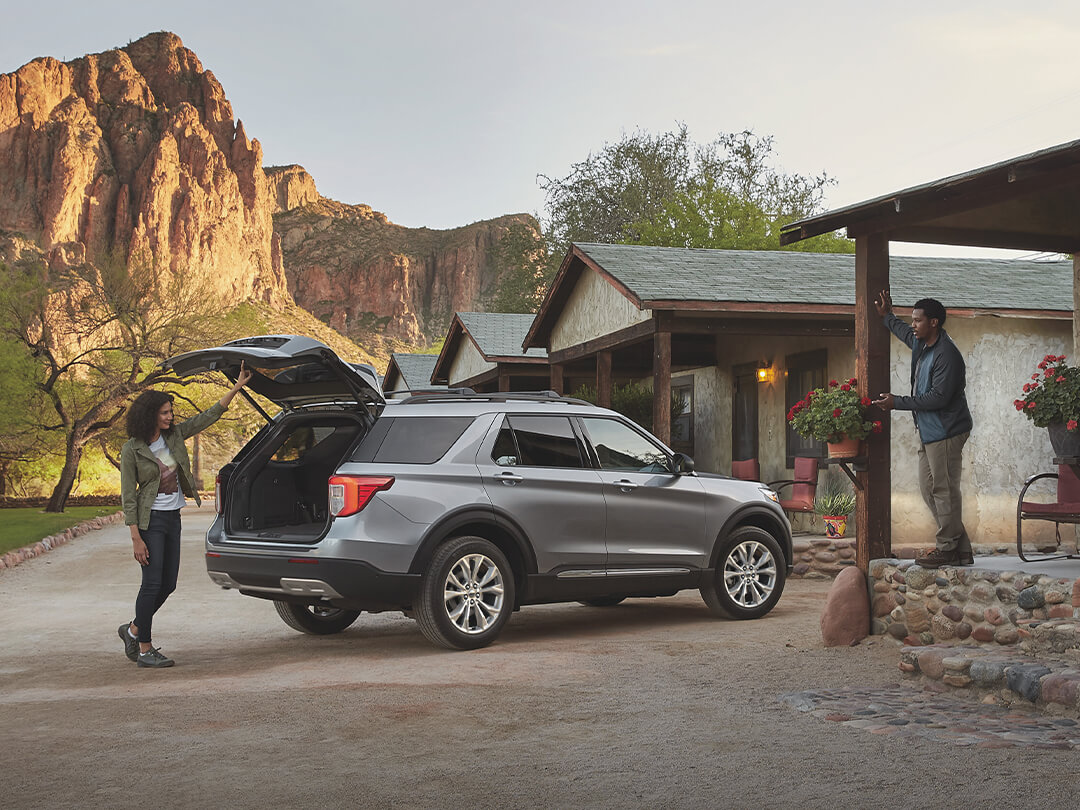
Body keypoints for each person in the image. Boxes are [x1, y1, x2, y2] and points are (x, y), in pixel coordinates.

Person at [118, 364, 253, 667]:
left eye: (170, 412)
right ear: (150, 415)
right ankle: (144, 650)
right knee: (152, 584)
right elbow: (128, 496)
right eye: (165, 413)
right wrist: (136, 537)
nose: (170, 416)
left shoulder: (175, 436)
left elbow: (208, 416)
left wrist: (237, 387)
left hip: (172, 519)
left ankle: (133, 629)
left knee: (168, 584)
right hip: (150, 521)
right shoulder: (132, 449)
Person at [872, 290, 974, 568]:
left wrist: (896, 402)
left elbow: (938, 398)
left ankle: (947, 548)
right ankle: (961, 548)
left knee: (944, 489)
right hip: (928, 431)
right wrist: (887, 316)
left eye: (918, 320)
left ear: (934, 323)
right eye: (913, 319)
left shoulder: (947, 354)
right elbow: (904, 332)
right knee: (929, 489)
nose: (913, 325)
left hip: (947, 431)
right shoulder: (922, 343)